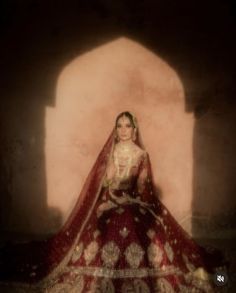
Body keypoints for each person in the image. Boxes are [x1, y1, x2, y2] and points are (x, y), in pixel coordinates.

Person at [0, 111, 228, 292]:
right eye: (119, 125)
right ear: (116, 129)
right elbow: (106, 184)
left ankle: (209, 278)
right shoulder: (110, 153)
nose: (123, 130)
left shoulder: (141, 155)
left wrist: (137, 200)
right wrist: (110, 196)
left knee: (139, 223)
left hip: (135, 204)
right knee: (110, 222)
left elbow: (144, 190)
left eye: (127, 125)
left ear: (134, 128)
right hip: (112, 202)